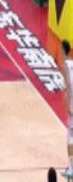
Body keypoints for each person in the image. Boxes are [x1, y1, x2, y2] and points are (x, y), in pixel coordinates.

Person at [61, 41, 73, 178]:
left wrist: (69, 104)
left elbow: (68, 86)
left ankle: (71, 168)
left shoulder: (65, 65)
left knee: (70, 137)